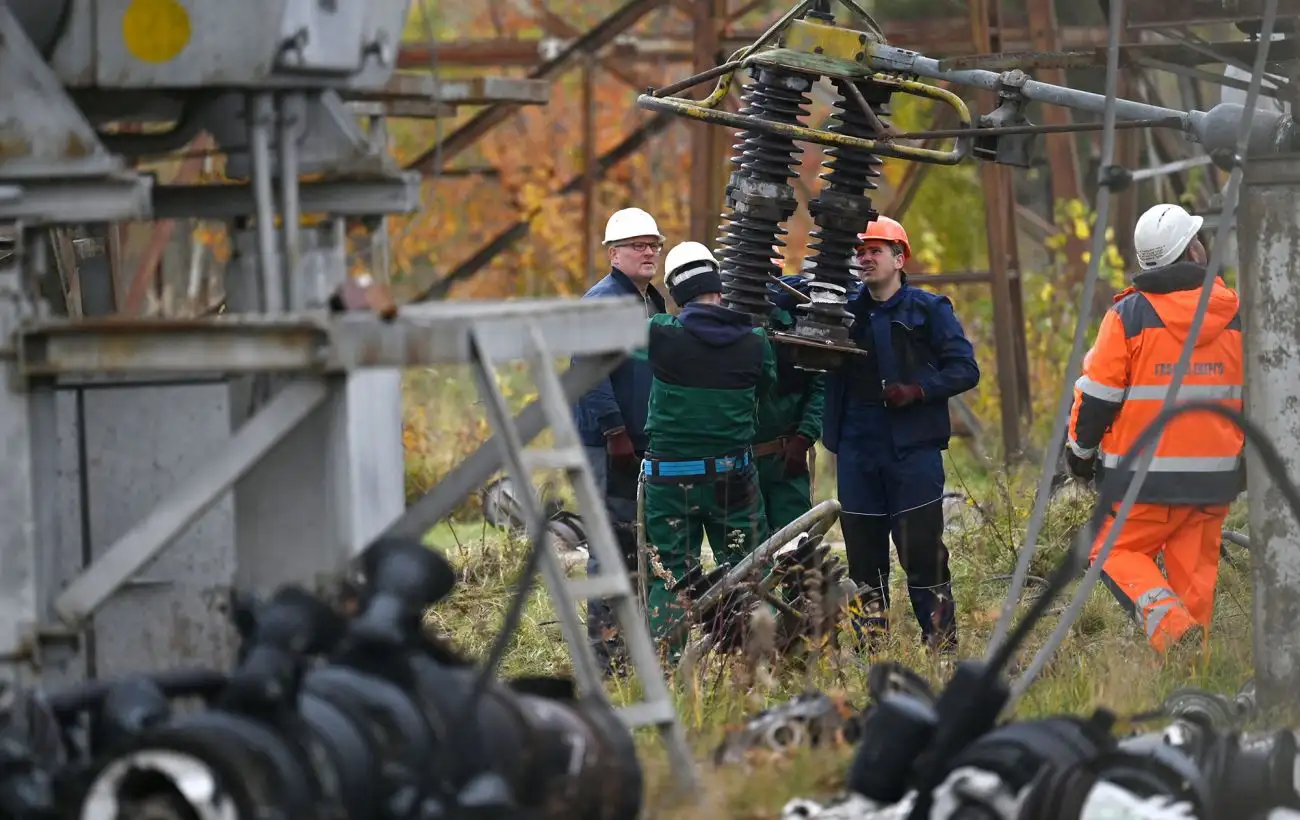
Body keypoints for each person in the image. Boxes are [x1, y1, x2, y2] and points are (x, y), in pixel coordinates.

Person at [775, 216, 979, 654]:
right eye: (860, 252)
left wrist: (919, 390)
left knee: (922, 552)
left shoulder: (929, 310)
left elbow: (965, 368)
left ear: (900, 258)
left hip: (912, 454)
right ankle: (874, 651)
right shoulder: (844, 311)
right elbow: (786, 291)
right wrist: (819, 274)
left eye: (876, 251)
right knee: (865, 559)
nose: (865, 258)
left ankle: (940, 647)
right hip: (856, 452)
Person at [1066, 202, 1244, 654]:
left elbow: (1098, 397)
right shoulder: (1235, 316)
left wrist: (1080, 456)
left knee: (1111, 550)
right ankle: (1192, 676)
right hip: (1214, 480)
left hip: (1141, 482)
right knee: (1194, 580)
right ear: (1192, 251)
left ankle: (1177, 634)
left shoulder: (1129, 317)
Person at [635, 241, 777, 653]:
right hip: (733, 478)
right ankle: (757, 657)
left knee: (670, 576)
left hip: (669, 483)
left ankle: (669, 666)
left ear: (677, 292)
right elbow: (767, 389)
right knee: (750, 569)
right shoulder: (755, 341)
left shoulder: (659, 332)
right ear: (720, 285)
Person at [573, 207, 668, 674]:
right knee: (609, 547)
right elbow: (588, 373)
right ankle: (606, 659)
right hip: (607, 445)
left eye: (654, 244)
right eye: (637, 245)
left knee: (637, 545)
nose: (649, 251)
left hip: (640, 443)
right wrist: (614, 431)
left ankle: (635, 650)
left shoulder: (653, 301)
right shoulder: (603, 301)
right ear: (613, 254)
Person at [752, 274, 825, 532]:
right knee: (748, 548)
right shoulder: (738, 330)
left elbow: (819, 389)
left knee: (794, 542)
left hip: (786, 456)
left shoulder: (799, 333)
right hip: (743, 460)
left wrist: (804, 438)